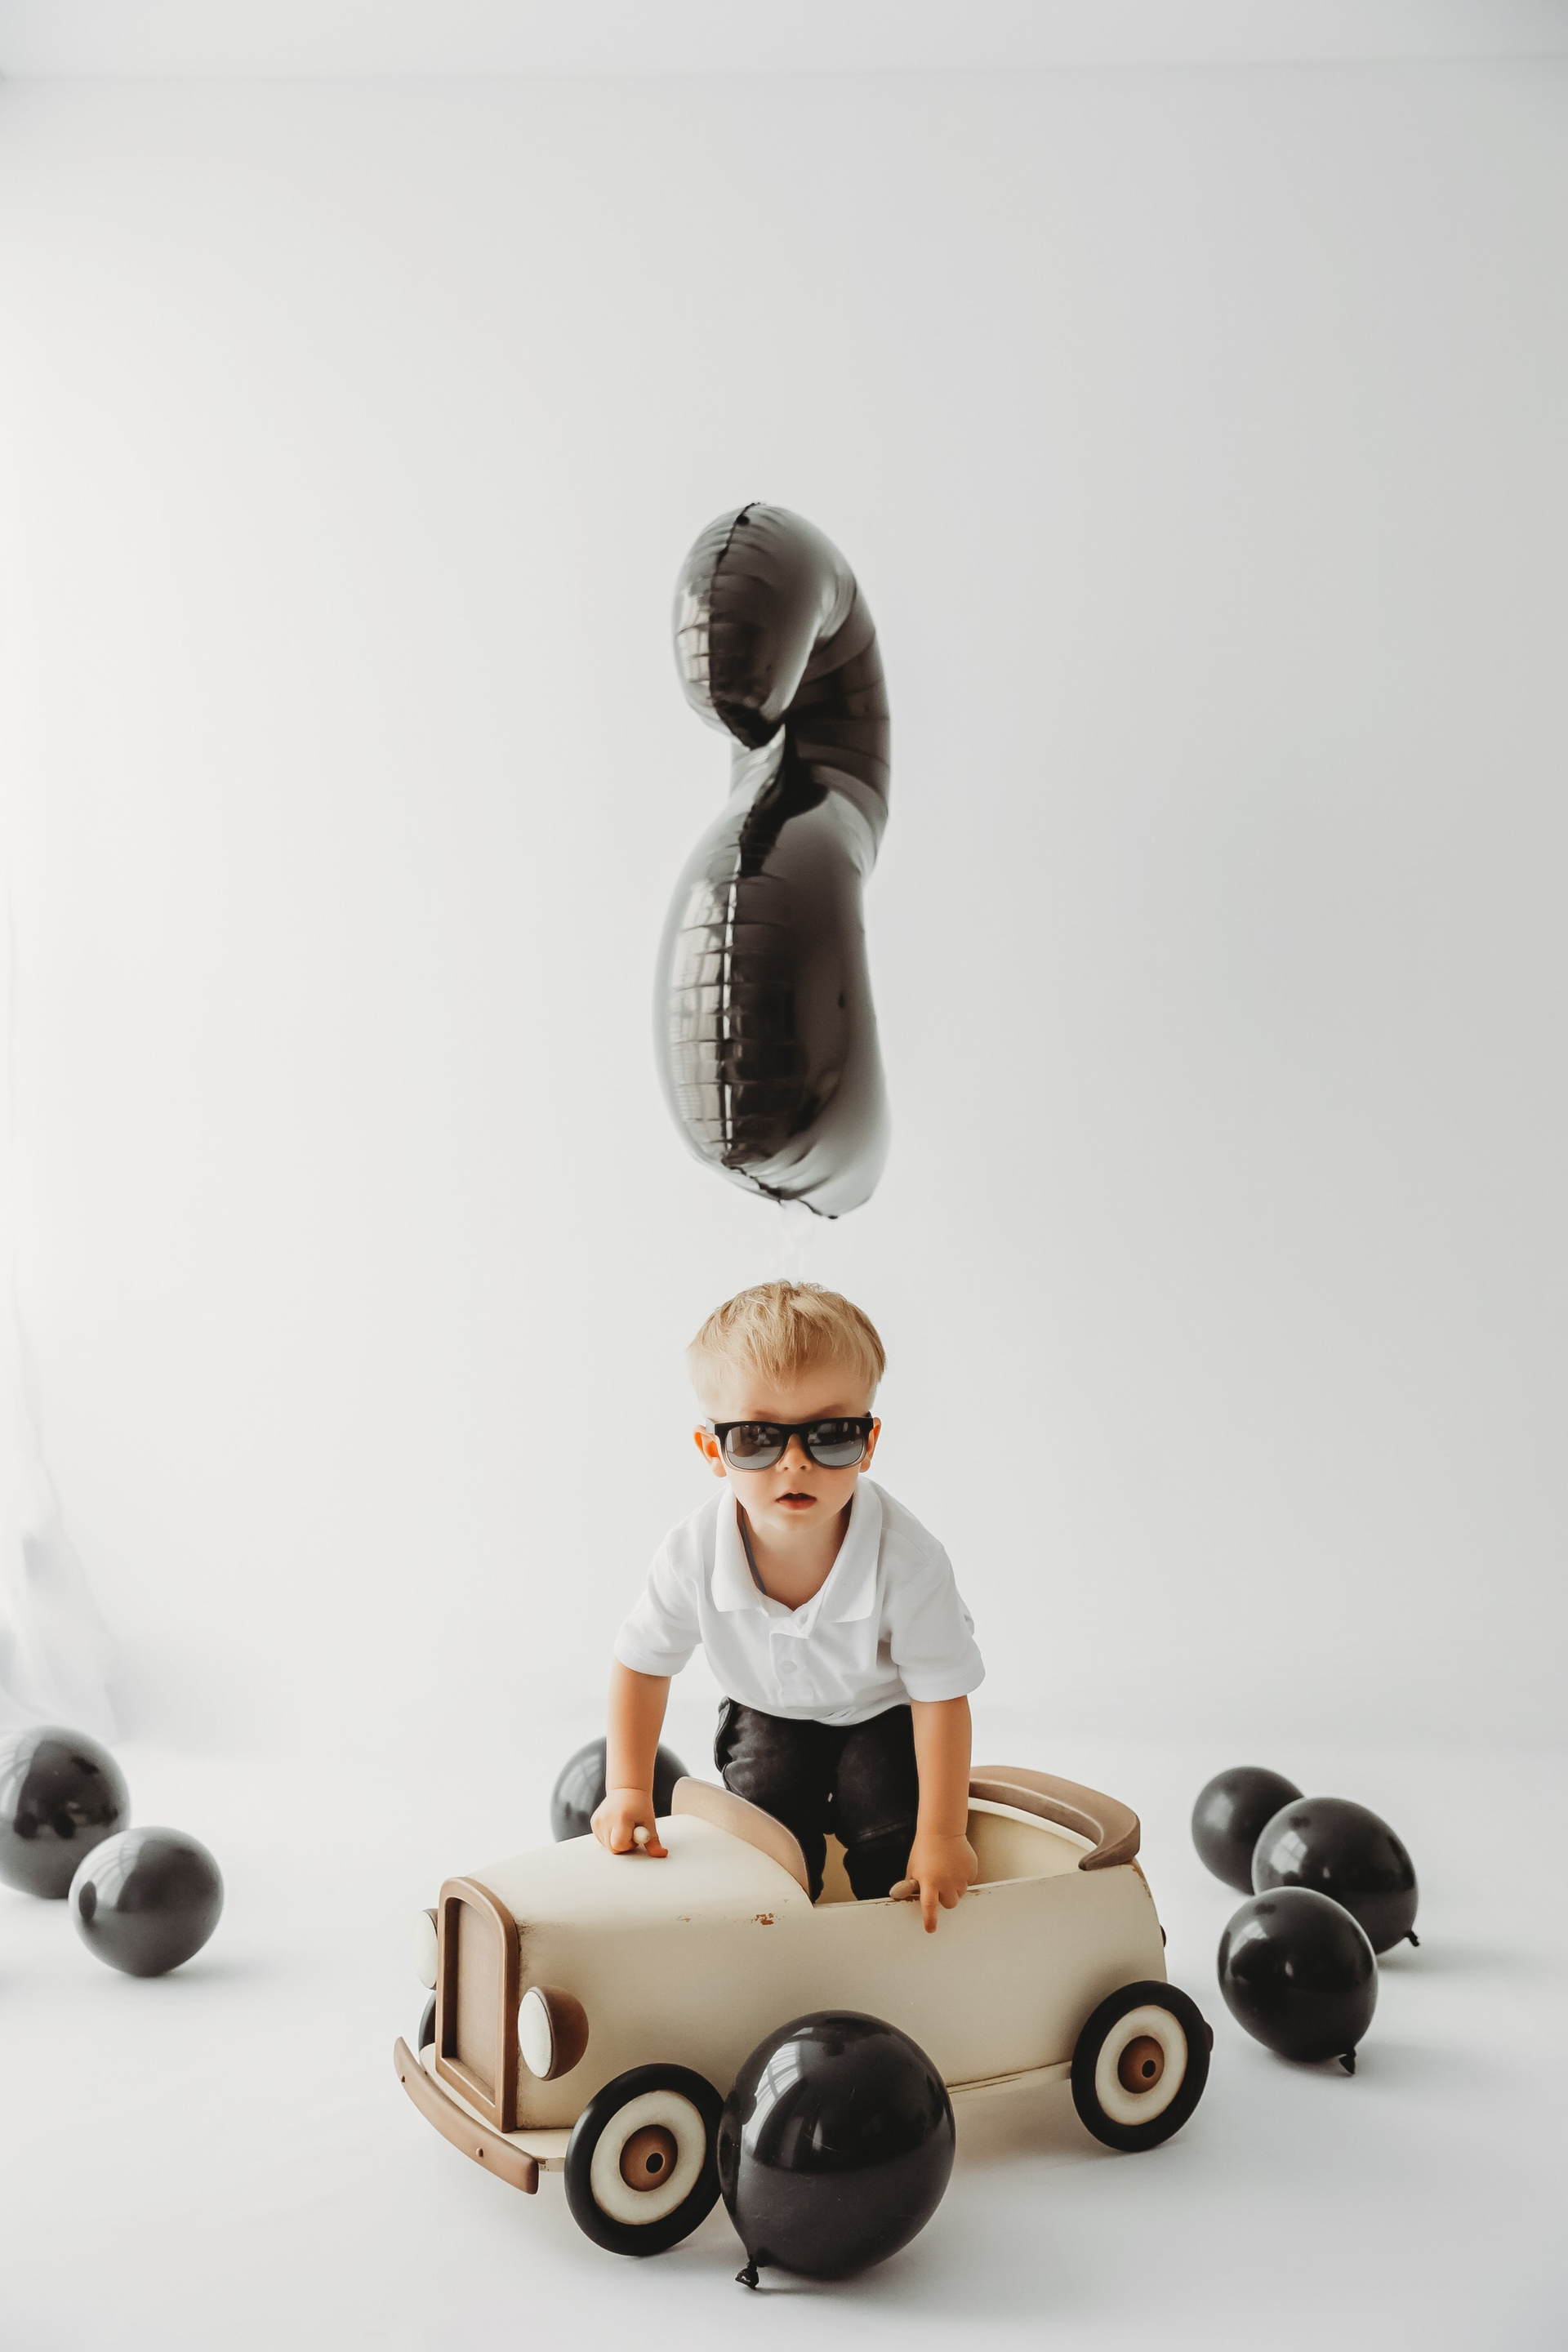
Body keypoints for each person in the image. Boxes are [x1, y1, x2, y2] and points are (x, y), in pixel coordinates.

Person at [594, 1281, 984, 1930]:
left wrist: (942, 1835)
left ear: (869, 1441)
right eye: (757, 1439)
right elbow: (642, 1662)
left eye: (830, 1436)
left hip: (879, 1707)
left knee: (886, 1815)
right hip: (767, 1705)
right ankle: (780, 1928)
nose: (795, 1464)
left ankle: (892, 1930)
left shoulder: (907, 1561)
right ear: (715, 1451)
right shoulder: (694, 1552)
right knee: (766, 1827)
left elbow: (941, 1696)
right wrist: (628, 1789)